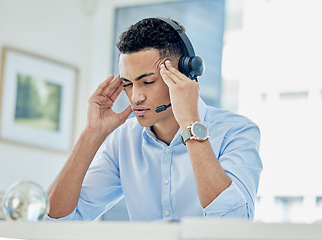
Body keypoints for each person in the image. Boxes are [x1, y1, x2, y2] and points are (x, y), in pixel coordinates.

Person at [47, 17, 262, 221]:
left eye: (148, 82)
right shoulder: (124, 140)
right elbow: (55, 221)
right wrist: (92, 134)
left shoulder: (237, 131)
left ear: (185, 75)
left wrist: (190, 124)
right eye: (128, 84)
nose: (136, 97)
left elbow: (232, 224)